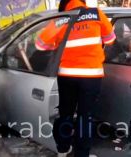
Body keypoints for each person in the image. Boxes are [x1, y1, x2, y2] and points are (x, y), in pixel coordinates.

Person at [35, 0, 116, 157]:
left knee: (65, 113)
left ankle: (63, 150)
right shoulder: (96, 13)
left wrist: (57, 45)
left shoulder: (61, 19)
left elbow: (40, 45)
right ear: (82, 2)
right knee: (85, 117)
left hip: (67, 76)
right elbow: (110, 40)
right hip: (91, 76)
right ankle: (82, 154)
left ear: (64, 4)